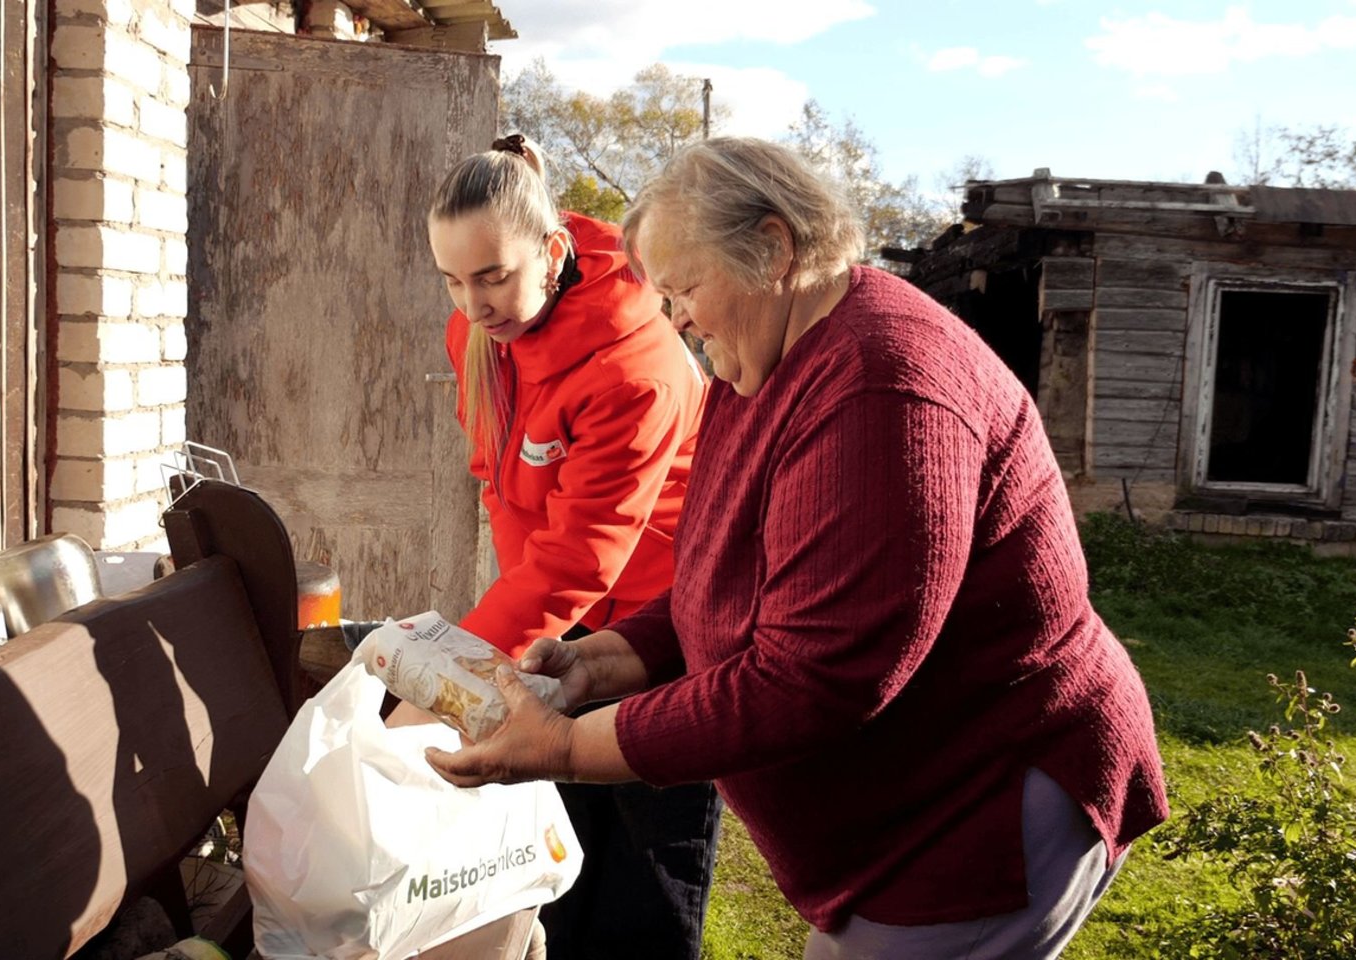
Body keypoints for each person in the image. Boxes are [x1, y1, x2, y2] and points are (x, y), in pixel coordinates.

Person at [425, 137, 1171, 960]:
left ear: (774, 251)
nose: (673, 318)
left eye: (684, 288)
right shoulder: (766, 357)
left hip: (980, 811)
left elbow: (809, 679)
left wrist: (567, 748)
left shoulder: (882, 389)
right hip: (909, 809)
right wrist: (605, 662)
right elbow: (729, 573)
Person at [422, 134, 721, 960]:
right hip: (560, 619)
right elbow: (505, 487)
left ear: (552, 251)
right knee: (559, 844)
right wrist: (508, 639)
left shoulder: (635, 366)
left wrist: (456, 672)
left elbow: (584, 556)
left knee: (648, 866)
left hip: (663, 626)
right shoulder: (479, 335)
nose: (472, 303)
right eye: (452, 280)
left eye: (491, 276)